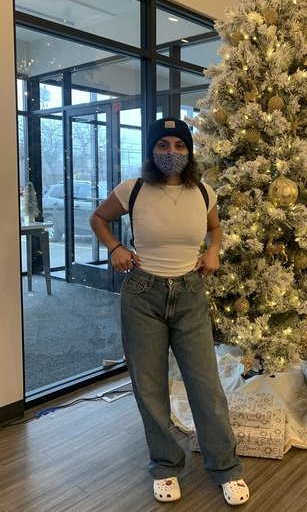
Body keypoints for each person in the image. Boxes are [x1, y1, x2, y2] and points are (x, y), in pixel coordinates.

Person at [89, 117, 249, 506]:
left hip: (190, 293)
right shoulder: (133, 189)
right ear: (152, 150)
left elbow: (215, 229)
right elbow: (98, 218)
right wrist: (115, 248)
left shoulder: (204, 192)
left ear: (189, 152)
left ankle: (226, 468)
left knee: (206, 386)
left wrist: (213, 250)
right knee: (150, 387)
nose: (171, 152)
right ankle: (164, 466)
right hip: (143, 294)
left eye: (179, 145)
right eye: (163, 145)